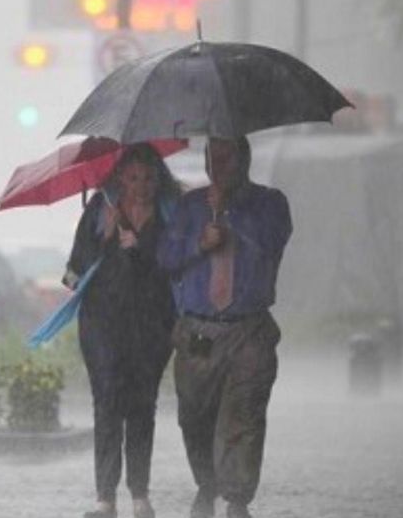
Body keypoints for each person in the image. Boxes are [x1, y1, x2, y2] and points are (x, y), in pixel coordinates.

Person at [157, 136, 292, 518]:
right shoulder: (189, 207)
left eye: (226, 159)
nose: (218, 168)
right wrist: (200, 244)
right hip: (198, 331)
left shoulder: (270, 203)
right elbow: (166, 258)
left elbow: (271, 243)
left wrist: (232, 220)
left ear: (244, 161)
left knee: (244, 413)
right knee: (195, 414)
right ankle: (207, 484)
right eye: (211, 159)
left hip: (248, 329)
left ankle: (237, 498)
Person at [64, 143, 180, 518]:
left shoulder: (171, 215)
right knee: (108, 402)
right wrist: (102, 237)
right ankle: (105, 498)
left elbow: (180, 264)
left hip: (152, 324)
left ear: (159, 179)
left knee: (142, 405)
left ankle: (139, 494)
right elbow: (72, 274)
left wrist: (143, 245)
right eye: (133, 178)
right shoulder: (100, 210)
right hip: (103, 324)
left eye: (149, 178)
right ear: (120, 178)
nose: (141, 185)